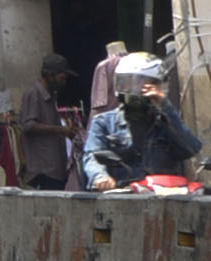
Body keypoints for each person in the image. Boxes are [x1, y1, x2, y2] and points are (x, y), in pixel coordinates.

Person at [83, 53, 204, 191]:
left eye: (145, 85)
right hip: (122, 197)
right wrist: (100, 177)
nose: (136, 90)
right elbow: (92, 155)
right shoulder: (104, 122)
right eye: (130, 83)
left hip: (163, 199)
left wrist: (165, 106)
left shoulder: (166, 122)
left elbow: (191, 148)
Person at [7, 55, 76, 189]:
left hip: (55, 169)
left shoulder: (50, 96)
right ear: (50, 76)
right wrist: (61, 130)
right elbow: (28, 125)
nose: (64, 82)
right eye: (62, 78)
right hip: (43, 171)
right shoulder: (34, 94)